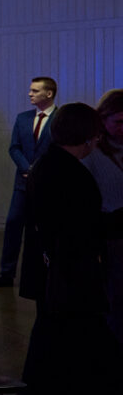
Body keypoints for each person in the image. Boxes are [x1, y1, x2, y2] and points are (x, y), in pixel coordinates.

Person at [15, 103, 123, 395]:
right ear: (88, 135)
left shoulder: (48, 165)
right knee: (73, 351)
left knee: (58, 351)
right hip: (71, 277)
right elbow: (82, 227)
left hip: (57, 275)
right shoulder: (69, 172)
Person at [0, 77, 57, 288]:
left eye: (35, 91)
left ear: (49, 93)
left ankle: (49, 272)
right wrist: (29, 169)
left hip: (48, 186)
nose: (29, 94)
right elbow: (14, 147)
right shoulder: (23, 118)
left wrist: (39, 172)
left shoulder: (60, 118)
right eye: (30, 90)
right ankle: (6, 273)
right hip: (23, 184)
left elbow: (59, 150)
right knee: (13, 224)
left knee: (46, 229)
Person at [82, 89, 123, 345]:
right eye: (118, 122)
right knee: (116, 297)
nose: (122, 128)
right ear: (103, 119)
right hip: (111, 234)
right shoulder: (92, 152)